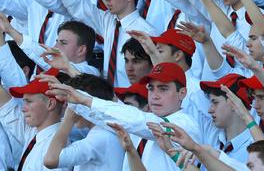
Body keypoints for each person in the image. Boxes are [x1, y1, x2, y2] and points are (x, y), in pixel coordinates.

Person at [46, 62, 201, 170]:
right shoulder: (138, 123)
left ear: (182, 93)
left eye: (163, 89)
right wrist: (73, 82)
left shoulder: (185, 124)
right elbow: (115, 110)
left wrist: (85, 100)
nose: (155, 95)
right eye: (151, 88)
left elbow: (134, 119)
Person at [43, 73, 125, 170]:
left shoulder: (101, 136)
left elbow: (50, 160)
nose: (69, 107)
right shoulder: (106, 130)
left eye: (72, 103)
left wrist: (68, 120)